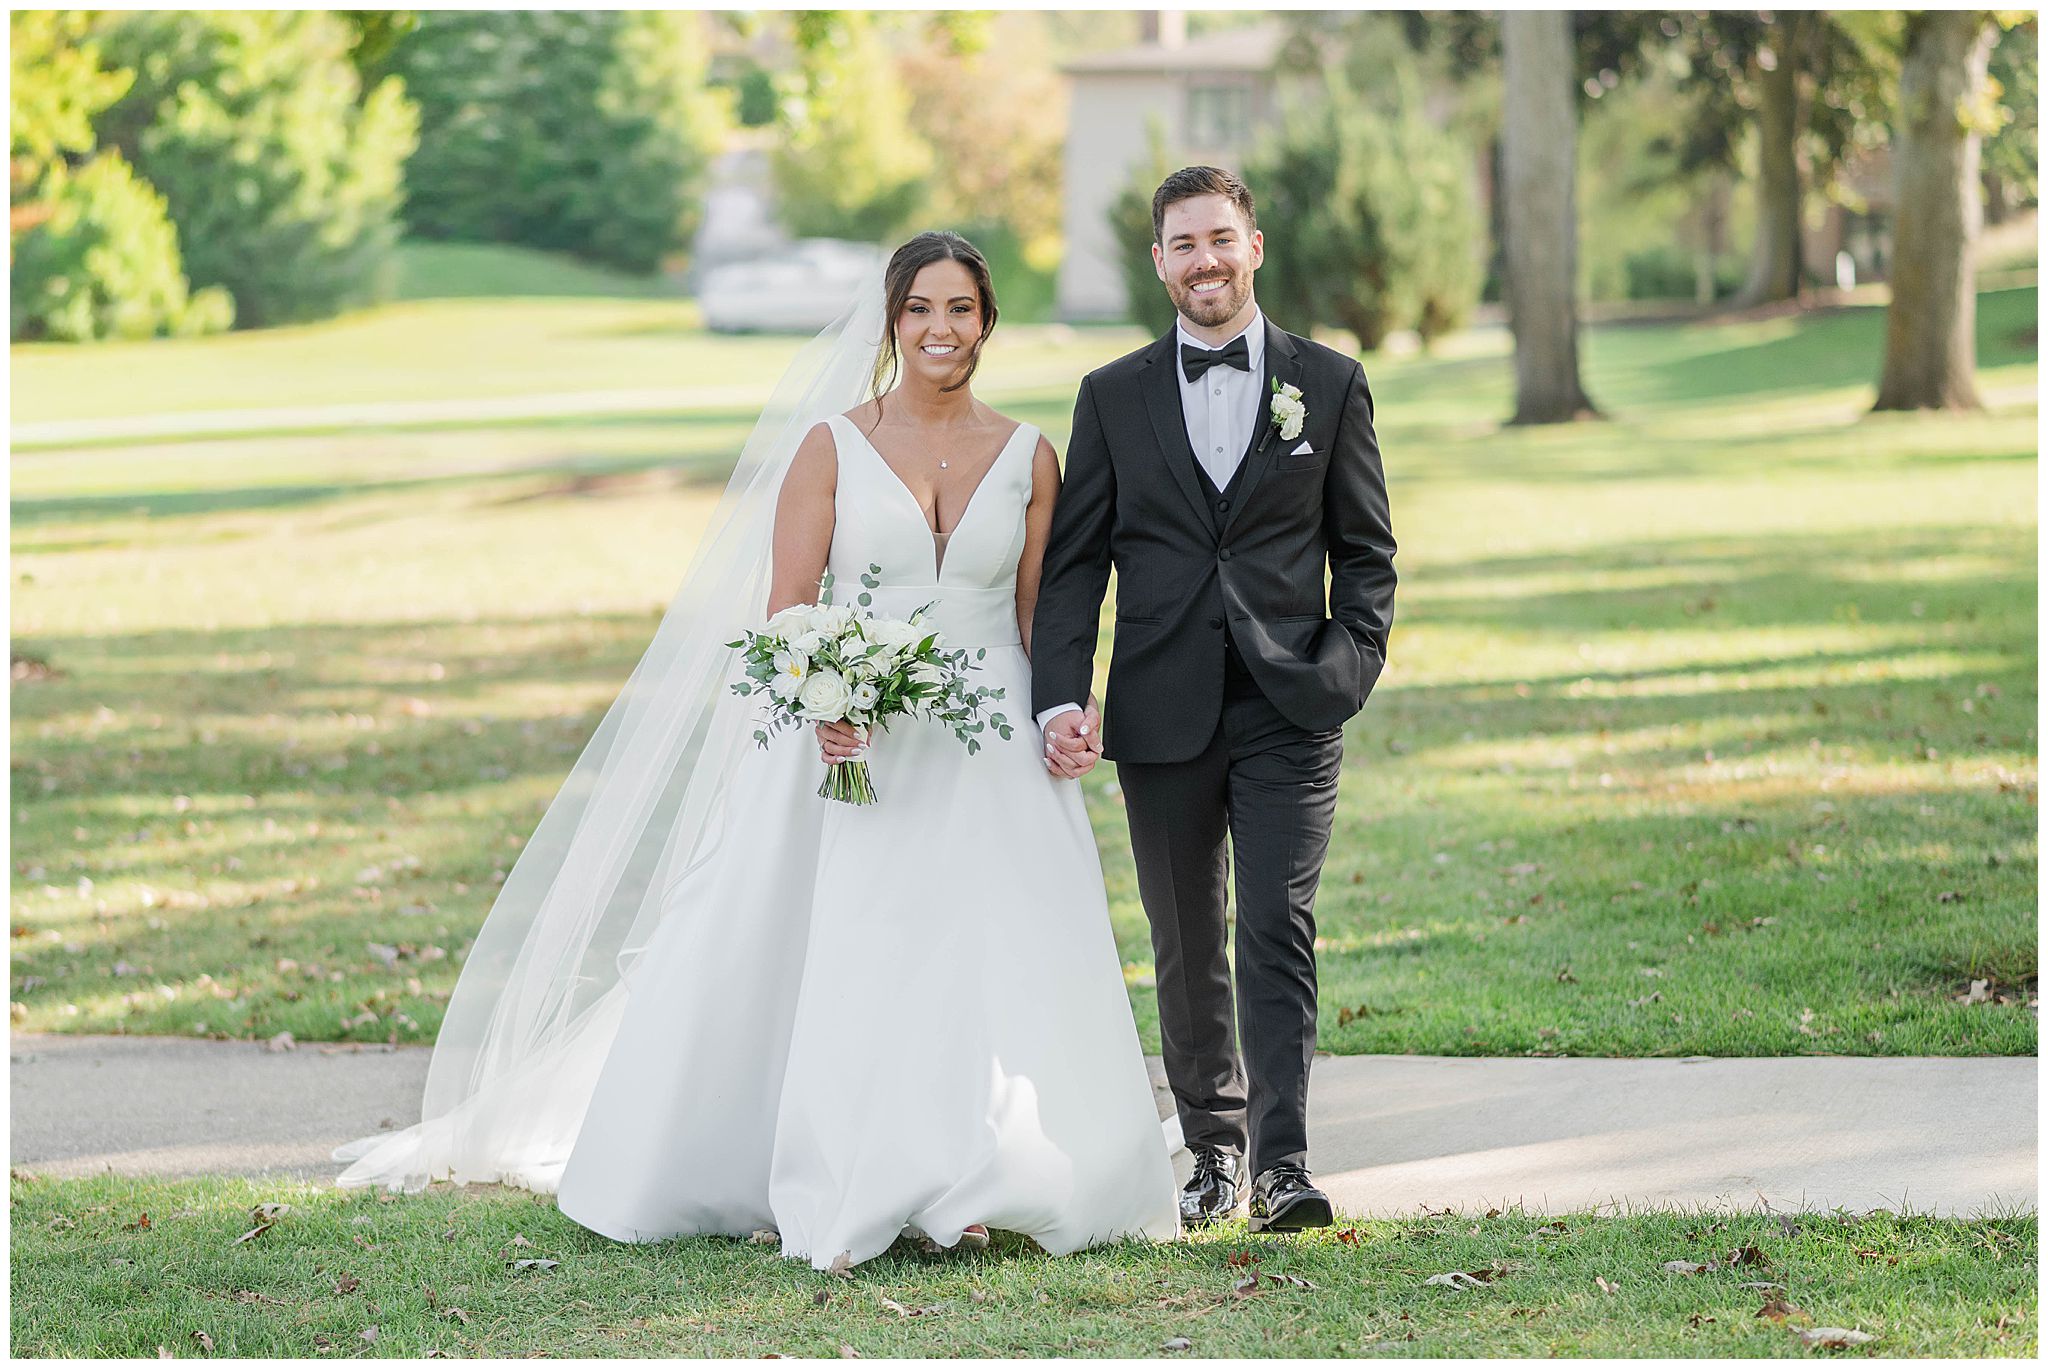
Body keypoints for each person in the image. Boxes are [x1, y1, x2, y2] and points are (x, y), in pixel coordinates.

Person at [334, 232, 1180, 1271]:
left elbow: (1035, 612)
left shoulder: (1030, 453)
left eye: (959, 309)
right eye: (919, 308)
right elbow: (787, 609)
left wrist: (1062, 711)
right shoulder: (831, 445)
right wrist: (827, 696)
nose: (940, 329)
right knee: (853, 948)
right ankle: (841, 1158)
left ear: (986, 321)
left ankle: (981, 1164)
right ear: (889, 320)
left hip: (988, 737)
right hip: (850, 739)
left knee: (987, 950)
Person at [1032, 167, 1398, 1233]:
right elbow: (1073, 567)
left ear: (1254, 247)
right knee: (1186, 936)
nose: (1203, 259)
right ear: (1158, 262)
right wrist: (1062, 693)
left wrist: (1347, 664)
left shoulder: (1326, 383)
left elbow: (1366, 552)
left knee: (1275, 924)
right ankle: (1210, 1155)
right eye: (1182, 243)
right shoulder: (1111, 395)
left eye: (1219, 238)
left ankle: (1282, 1165)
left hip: (1291, 704)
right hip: (1160, 708)